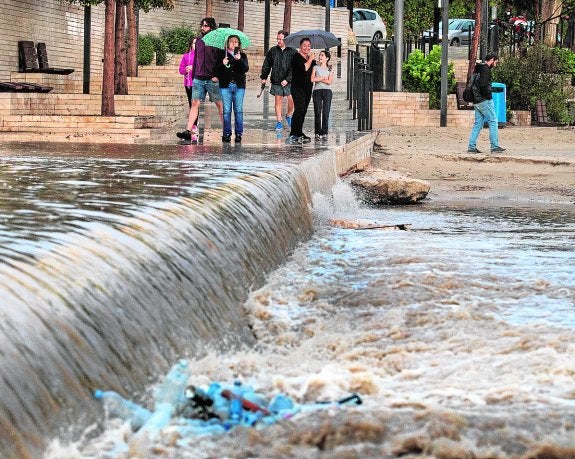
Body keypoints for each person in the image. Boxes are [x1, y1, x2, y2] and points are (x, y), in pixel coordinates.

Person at [177, 18, 223, 142]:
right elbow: (197, 59)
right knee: (194, 103)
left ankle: (227, 129)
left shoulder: (217, 42)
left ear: (212, 27)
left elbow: (221, 61)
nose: (203, 28)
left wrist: (218, 76)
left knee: (219, 104)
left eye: (206, 26)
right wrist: (193, 77)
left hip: (212, 79)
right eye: (202, 26)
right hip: (198, 78)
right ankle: (188, 130)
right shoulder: (198, 41)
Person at [467, 52, 506, 154]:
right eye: (496, 62)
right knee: (493, 121)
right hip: (484, 100)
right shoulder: (485, 70)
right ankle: (494, 146)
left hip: (476, 100)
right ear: (492, 60)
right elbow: (483, 85)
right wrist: (488, 96)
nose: (496, 64)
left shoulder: (479, 68)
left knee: (478, 124)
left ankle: (471, 146)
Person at [259, 30, 297, 131]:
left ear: (286, 39)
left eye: (281, 39)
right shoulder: (273, 50)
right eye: (278, 39)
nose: (279, 41)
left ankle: (289, 115)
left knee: (291, 99)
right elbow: (266, 64)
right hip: (276, 80)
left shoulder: (293, 51)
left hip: (289, 81)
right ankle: (279, 122)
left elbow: (295, 67)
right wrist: (264, 77)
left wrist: (287, 79)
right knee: (278, 100)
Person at [214, 35, 249, 143]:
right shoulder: (222, 54)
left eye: (236, 42)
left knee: (238, 111)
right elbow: (215, 70)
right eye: (231, 41)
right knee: (226, 111)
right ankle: (227, 133)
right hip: (225, 86)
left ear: (239, 44)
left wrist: (239, 60)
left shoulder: (242, 55)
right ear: (227, 43)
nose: (233, 43)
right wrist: (222, 64)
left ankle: (238, 133)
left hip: (239, 86)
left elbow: (245, 69)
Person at [288, 38, 315, 144]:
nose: (307, 48)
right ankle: (294, 133)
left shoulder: (310, 58)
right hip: (297, 87)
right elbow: (304, 67)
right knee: (299, 109)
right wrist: (311, 59)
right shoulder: (296, 57)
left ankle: (299, 132)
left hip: (308, 87)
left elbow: (314, 69)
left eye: (309, 46)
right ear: (300, 46)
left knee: (303, 111)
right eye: (304, 45)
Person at [178, 37, 199, 141]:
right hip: (188, 84)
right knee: (191, 104)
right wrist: (186, 70)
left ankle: (194, 128)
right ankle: (192, 128)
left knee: (195, 104)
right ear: (191, 44)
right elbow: (181, 70)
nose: (195, 45)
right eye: (194, 43)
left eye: (197, 43)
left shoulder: (200, 57)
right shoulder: (186, 56)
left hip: (198, 83)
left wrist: (194, 68)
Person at [311, 50, 334, 141]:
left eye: (322, 55)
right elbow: (312, 79)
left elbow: (329, 82)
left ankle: (324, 132)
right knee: (317, 112)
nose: (320, 57)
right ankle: (317, 132)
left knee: (325, 112)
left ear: (327, 58)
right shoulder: (315, 67)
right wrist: (322, 78)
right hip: (317, 91)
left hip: (327, 92)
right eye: (320, 55)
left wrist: (319, 79)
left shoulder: (330, 68)